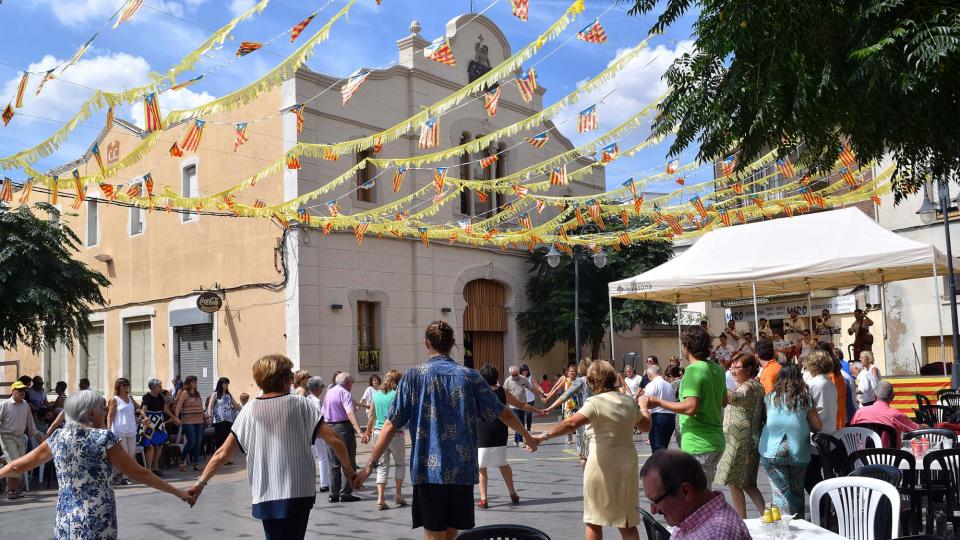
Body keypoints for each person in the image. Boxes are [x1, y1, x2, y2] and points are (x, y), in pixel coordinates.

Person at [353, 321, 539, 540]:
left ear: (426, 344)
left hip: (428, 473)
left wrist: (368, 467)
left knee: (434, 536)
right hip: (461, 471)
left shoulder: (413, 377)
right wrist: (528, 437)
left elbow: (390, 424)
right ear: (453, 343)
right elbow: (503, 412)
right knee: (451, 535)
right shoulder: (470, 377)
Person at [188, 354, 355, 539]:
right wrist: (348, 470)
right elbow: (335, 440)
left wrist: (200, 483)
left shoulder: (249, 411)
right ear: (285, 380)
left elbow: (222, 454)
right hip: (299, 490)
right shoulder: (301, 404)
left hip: (266, 492)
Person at [0, 390, 194, 537]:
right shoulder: (104, 438)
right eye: (102, 408)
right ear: (91, 413)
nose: (105, 412)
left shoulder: (58, 437)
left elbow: (17, 466)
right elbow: (139, 474)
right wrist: (179, 493)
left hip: (66, 519)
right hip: (97, 518)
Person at [539, 360, 650, 540]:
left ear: (592, 381)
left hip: (600, 464)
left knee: (594, 520)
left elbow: (571, 423)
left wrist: (543, 436)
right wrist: (644, 408)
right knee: (627, 521)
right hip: (627, 465)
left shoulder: (594, 402)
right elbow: (645, 426)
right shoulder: (628, 401)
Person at [642, 326, 727, 485]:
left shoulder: (693, 370)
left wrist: (658, 402)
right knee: (703, 494)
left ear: (687, 347)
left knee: (695, 498)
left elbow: (690, 407)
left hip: (698, 443)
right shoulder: (717, 369)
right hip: (715, 440)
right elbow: (724, 401)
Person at [640, 449, 751, 540]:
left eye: (656, 501)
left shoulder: (715, 534)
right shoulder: (690, 518)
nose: (653, 510)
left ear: (685, 491)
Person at [759, 364, 823, 516]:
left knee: (780, 492)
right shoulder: (805, 397)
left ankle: (784, 528)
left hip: (772, 450)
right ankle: (797, 524)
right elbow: (818, 425)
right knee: (797, 491)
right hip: (798, 451)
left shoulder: (770, 397)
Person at [474, 364, 540, 509]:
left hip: (483, 429)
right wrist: (537, 410)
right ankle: (513, 493)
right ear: (496, 377)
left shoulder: (478, 393)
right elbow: (520, 404)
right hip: (500, 429)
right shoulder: (503, 392)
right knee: (502, 462)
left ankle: (484, 499)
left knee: (481, 466)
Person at [714, 353, 766, 518]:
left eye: (738, 367)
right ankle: (766, 516)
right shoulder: (756, 386)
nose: (733, 371)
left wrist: (714, 382)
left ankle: (742, 520)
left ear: (749, 369)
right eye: (732, 367)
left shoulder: (747, 387)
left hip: (741, 442)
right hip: (748, 440)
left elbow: (736, 398)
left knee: (734, 482)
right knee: (749, 484)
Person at [361, 370, 408, 510]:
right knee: (400, 464)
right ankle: (398, 495)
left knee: (382, 466)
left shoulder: (376, 396)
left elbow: (371, 416)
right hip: (395, 434)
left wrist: (367, 432)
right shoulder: (397, 395)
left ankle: (380, 498)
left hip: (378, 433)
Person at [322, 371, 364, 503]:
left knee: (333, 462)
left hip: (329, 427)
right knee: (348, 460)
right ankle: (345, 493)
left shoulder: (329, 392)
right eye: (352, 381)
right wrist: (359, 430)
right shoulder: (345, 393)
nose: (352, 383)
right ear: (348, 382)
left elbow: (323, 411)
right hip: (343, 428)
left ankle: (333, 493)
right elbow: (350, 413)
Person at [543, 359, 593, 464]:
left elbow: (565, 395)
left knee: (583, 453)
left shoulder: (580, 380)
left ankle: (587, 475)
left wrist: (550, 408)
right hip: (596, 416)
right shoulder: (597, 380)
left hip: (583, 414)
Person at [803, 350, 839, 493]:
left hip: (818, 435)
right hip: (829, 433)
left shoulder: (817, 384)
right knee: (818, 474)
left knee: (811, 476)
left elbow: (816, 411)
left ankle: (823, 504)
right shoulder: (828, 382)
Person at [0, 381, 44, 499]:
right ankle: (10, 490)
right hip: (7, 437)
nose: (22, 392)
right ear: (13, 391)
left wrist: (38, 437)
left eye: (23, 390)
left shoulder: (25, 405)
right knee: (14, 463)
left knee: (19, 464)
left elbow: (30, 423)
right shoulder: (4, 404)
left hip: (20, 438)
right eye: (19, 390)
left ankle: (14, 489)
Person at [851, 381, 925, 447]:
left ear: (874, 395)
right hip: (889, 458)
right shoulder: (896, 415)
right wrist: (927, 426)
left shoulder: (860, 413)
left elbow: (850, 432)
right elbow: (916, 429)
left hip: (862, 457)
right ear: (892, 397)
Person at [140, 379, 176, 476]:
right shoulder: (147, 397)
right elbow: (142, 410)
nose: (161, 388)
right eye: (159, 386)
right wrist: (146, 418)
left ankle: (155, 467)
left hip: (159, 422)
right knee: (150, 446)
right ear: (153, 387)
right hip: (150, 422)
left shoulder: (160, 396)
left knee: (160, 445)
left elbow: (165, 409)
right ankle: (149, 469)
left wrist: (174, 417)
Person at [106, 378, 138, 486]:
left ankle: (119, 475)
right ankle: (124, 477)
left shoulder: (130, 398)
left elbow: (134, 412)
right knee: (124, 455)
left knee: (131, 454)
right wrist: (109, 430)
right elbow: (110, 415)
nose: (126, 387)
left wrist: (138, 420)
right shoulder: (114, 399)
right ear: (118, 386)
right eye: (124, 385)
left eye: (127, 385)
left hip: (131, 429)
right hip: (119, 430)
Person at [503, 365, 545, 447]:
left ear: (518, 373)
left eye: (516, 374)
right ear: (510, 374)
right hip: (513, 406)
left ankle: (516, 440)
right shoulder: (507, 381)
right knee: (520, 423)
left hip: (522, 405)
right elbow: (504, 392)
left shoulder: (523, 379)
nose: (515, 376)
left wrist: (540, 396)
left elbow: (531, 388)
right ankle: (520, 440)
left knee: (519, 422)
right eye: (513, 375)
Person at [304, 376, 330, 494]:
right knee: (323, 457)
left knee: (312, 458)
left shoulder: (306, 399)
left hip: (308, 433)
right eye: (321, 387)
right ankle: (325, 483)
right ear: (316, 388)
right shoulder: (315, 401)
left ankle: (310, 484)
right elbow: (317, 417)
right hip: (316, 433)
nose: (322, 389)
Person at [174, 375, 206, 472]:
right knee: (192, 441)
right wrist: (176, 417)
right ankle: (181, 459)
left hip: (199, 421)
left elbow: (200, 407)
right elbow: (178, 406)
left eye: (196, 382)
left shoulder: (197, 394)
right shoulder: (184, 393)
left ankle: (196, 464)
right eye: (193, 382)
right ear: (188, 383)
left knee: (198, 442)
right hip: (188, 421)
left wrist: (204, 416)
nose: (195, 383)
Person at [643, 365, 675, 452]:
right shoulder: (668, 385)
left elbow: (646, 402)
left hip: (657, 417)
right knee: (664, 447)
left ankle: (661, 465)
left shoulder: (651, 385)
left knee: (657, 450)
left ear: (649, 374)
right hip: (671, 417)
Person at [207, 377, 240, 454]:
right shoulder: (215, 394)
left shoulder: (228, 395)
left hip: (229, 420)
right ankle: (219, 457)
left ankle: (225, 458)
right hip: (219, 420)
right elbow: (210, 406)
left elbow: (236, 406)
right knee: (220, 440)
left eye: (227, 383)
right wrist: (210, 416)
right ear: (220, 384)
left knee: (226, 440)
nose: (227, 385)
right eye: (225, 383)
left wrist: (231, 411)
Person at [665, 365, 684, 447]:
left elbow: (670, 398)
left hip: (678, 411)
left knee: (680, 435)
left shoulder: (674, 384)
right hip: (685, 409)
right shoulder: (683, 381)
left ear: (671, 376)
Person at [519, 364, 537, 433]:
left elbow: (536, 386)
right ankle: (523, 429)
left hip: (530, 399)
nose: (525, 371)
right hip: (522, 399)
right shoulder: (519, 378)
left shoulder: (530, 377)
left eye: (526, 370)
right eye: (524, 370)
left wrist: (541, 394)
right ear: (521, 371)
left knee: (529, 414)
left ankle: (528, 429)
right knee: (522, 415)